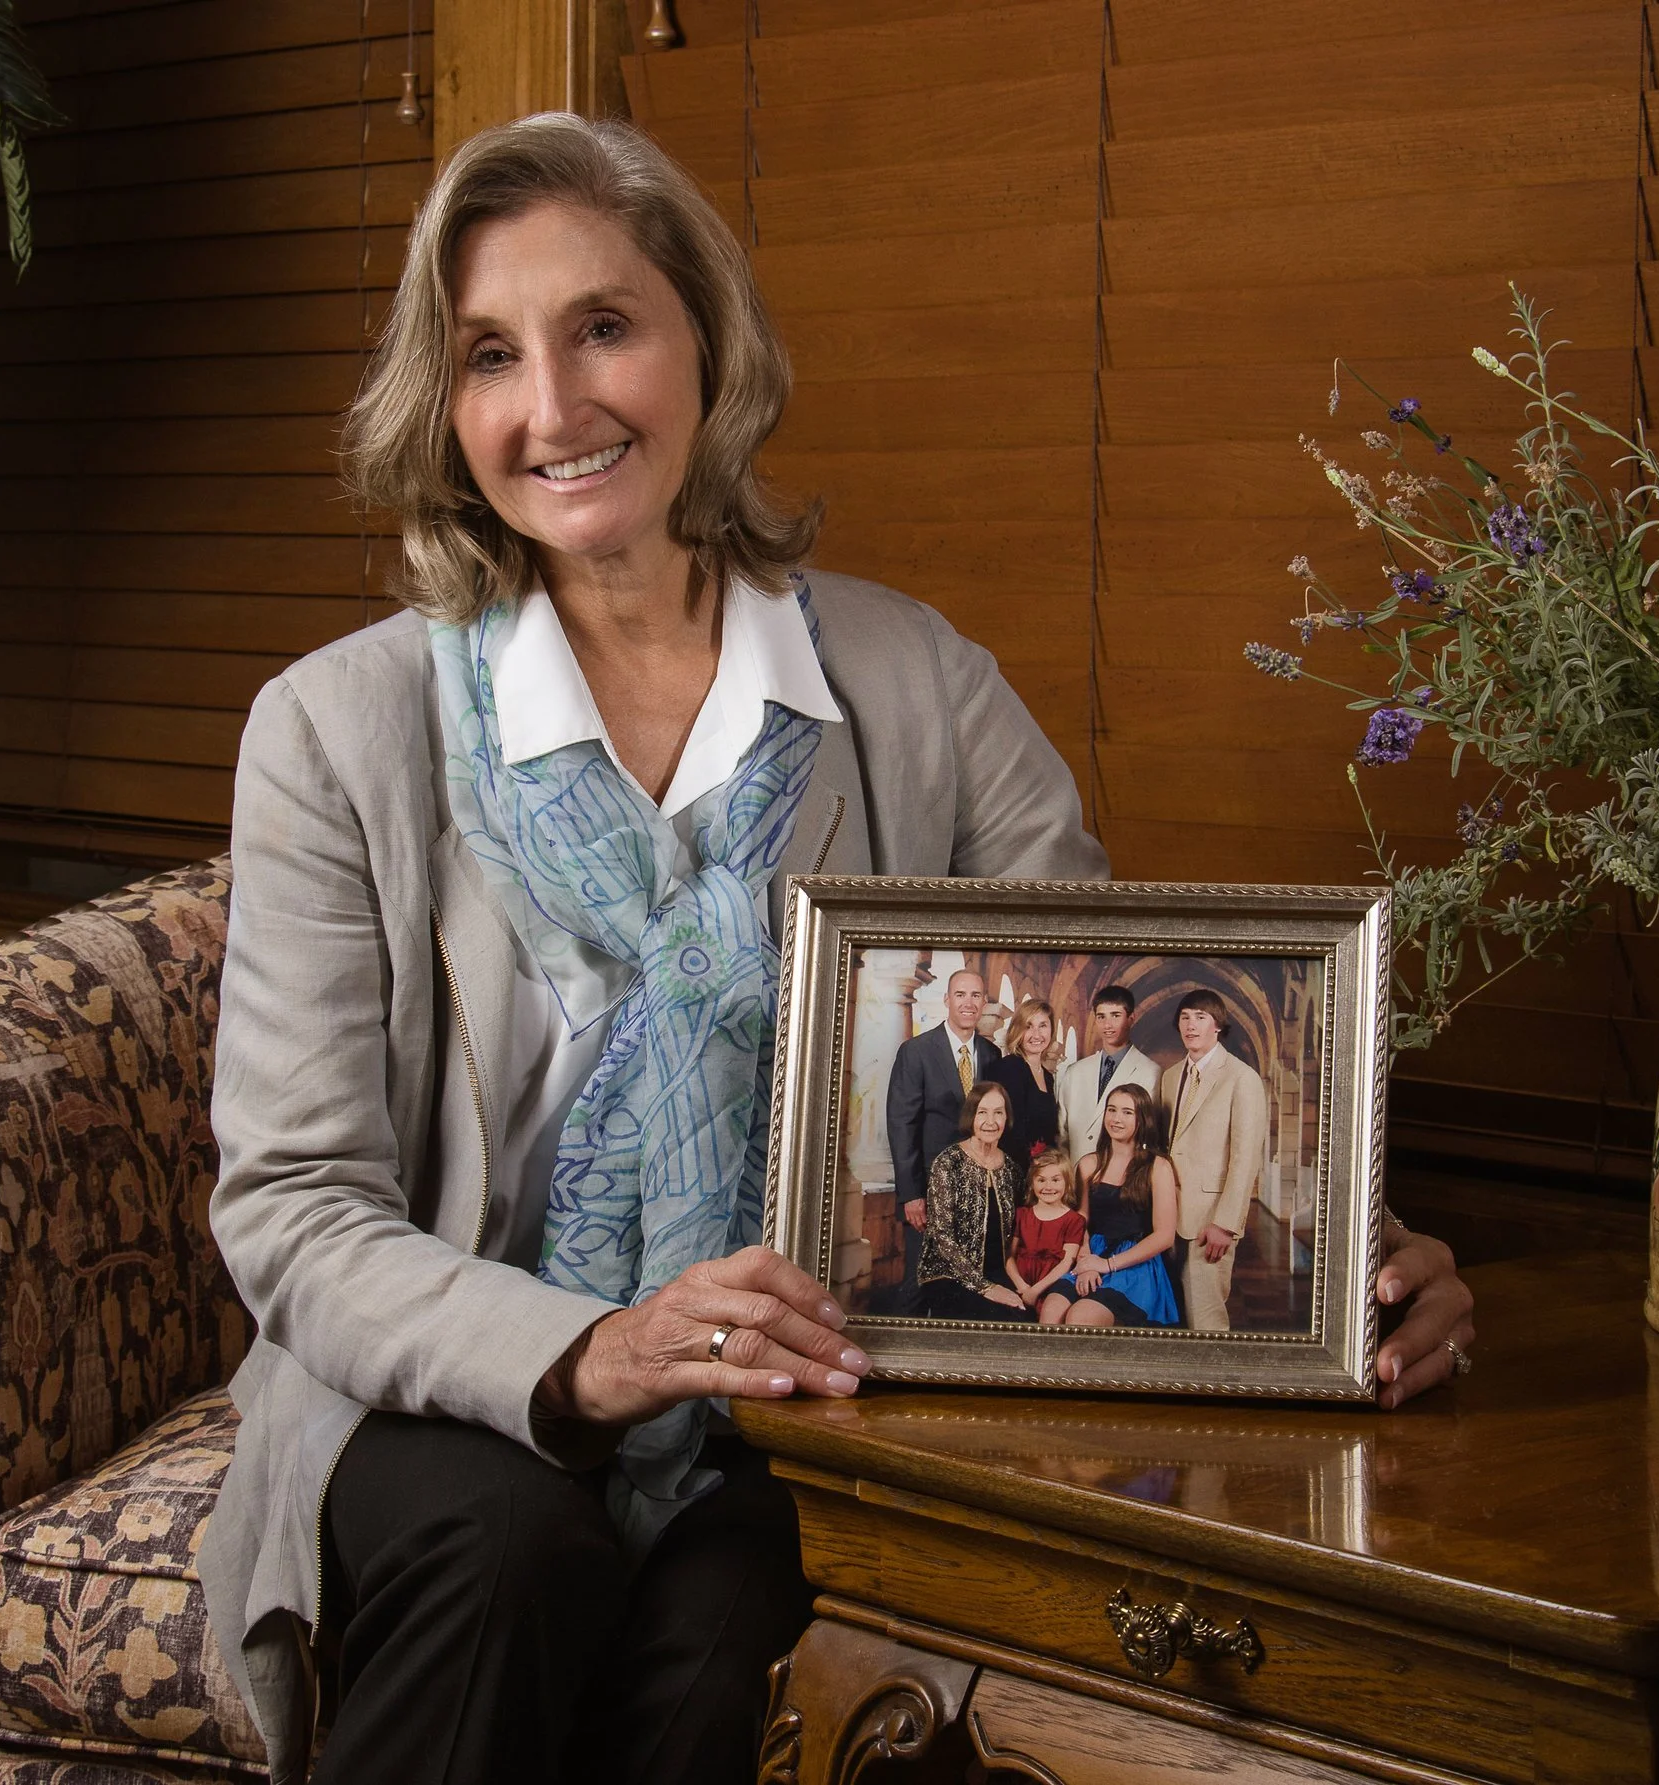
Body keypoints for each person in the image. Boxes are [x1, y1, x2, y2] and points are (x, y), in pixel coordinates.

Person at [198, 112, 1478, 1785]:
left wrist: (1344, 1260)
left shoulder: (918, 684)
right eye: (489, 356)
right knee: (515, 1551)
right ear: (443, 409)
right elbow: (294, 1207)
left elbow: (1104, 1040)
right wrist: (593, 1353)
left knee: (744, 1610)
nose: (553, 407)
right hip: (437, 1395)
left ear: (706, 344)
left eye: (603, 326)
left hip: (802, 1400)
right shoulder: (336, 729)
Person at [1158, 988, 1270, 1331]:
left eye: (1200, 1017)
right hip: (1167, 1216)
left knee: (1206, 1320)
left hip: (1210, 1222)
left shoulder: (1242, 1078)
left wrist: (1226, 1223)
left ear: (1218, 1025)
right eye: (1185, 1017)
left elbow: (1245, 1158)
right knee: (1171, 1315)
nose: (1190, 1025)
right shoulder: (1171, 1076)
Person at [886, 967, 998, 1307]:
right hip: (928, 1193)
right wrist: (911, 1194)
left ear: (984, 1003)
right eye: (960, 995)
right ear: (947, 1000)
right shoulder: (916, 1051)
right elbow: (902, 1125)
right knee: (920, 1286)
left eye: (975, 995)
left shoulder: (992, 1055)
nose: (968, 1003)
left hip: (975, 1192)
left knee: (966, 1292)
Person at [1059, 1084, 1185, 1328]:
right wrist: (1086, 1262)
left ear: (1142, 1120)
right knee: (1051, 1310)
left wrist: (1107, 1265)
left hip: (1136, 1264)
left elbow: (1164, 1236)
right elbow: (1080, 1219)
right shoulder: (1088, 1164)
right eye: (1111, 1109)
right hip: (1092, 1252)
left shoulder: (1158, 1167)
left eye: (1127, 1112)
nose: (1116, 1119)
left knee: (1081, 1317)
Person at [908, 1081, 1033, 1322]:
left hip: (997, 1272)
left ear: (1007, 1117)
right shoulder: (948, 1163)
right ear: (971, 1116)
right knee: (994, 1319)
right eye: (982, 1112)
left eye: (998, 1112)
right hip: (948, 1275)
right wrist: (986, 1288)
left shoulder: (1012, 1170)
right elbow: (941, 1236)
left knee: (1026, 1319)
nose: (991, 1121)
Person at [1054, 983, 1159, 1158]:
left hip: (1124, 1171)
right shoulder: (1075, 1072)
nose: (1107, 1025)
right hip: (1075, 1169)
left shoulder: (1151, 1072)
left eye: (1115, 1016)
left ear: (1131, 1019)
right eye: (1101, 1017)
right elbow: (1061, 1133)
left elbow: (1150, 1135)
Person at [1005, 1149, 1088, 1325]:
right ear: (1032, 1183)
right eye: (1041, 1180)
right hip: (1020, 1283)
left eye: (1055, 1180)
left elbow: (1066, 1263)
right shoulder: (1021, 1215)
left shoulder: (1074, 1220)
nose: (1048, 1187)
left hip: (1050, 1285)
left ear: (1067, 1182)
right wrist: (1022, 1286)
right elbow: (1009, 1256)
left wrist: (1035, 1291)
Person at [984, 995, 1063, 1165]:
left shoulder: (1047, 1076)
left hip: (1041, 1171)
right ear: (1017, 1030)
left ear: (1051, 1030)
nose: (1036, 1034)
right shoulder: (1010, 1068)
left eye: (1043, 1026)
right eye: (1028, 1026)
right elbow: (1008, 1132)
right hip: (1013, 1168)